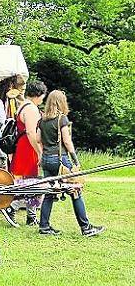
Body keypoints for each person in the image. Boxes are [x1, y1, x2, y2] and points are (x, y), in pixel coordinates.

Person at [37, 90, 104, 237]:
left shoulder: (41, 120)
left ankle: (44, 226)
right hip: (60, 160)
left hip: (46, 160)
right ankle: (86, 228)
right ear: (61, 102)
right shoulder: (62, 119)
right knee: (75, 191)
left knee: (49, 193)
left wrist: (42, 155)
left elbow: (38, 140)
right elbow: (67, 141)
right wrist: (75, 159)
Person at [9, 80, 45, 226]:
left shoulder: (22, 105)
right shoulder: (31, 108)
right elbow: (31, 131)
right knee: (30, 182)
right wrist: (39, 151)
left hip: (23, 145)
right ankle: (13, 207)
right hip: (28, 147)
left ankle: (31, 215)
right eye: (42, 95)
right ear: (37, 95)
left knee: (29, 182)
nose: (43, 99)